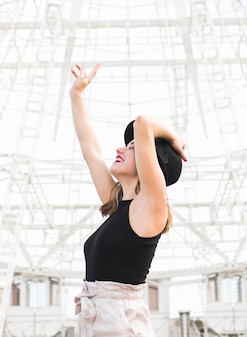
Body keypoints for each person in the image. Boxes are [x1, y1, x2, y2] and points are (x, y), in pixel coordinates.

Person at [69, 63, 187, 337]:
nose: (121, 148)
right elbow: (91, 151)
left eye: (133, 146)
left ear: (151, 164)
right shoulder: (120, 205)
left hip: (120, 324)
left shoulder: (151, 208)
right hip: (98, 320)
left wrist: (172, 137)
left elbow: (143, 123)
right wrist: (76, 95)